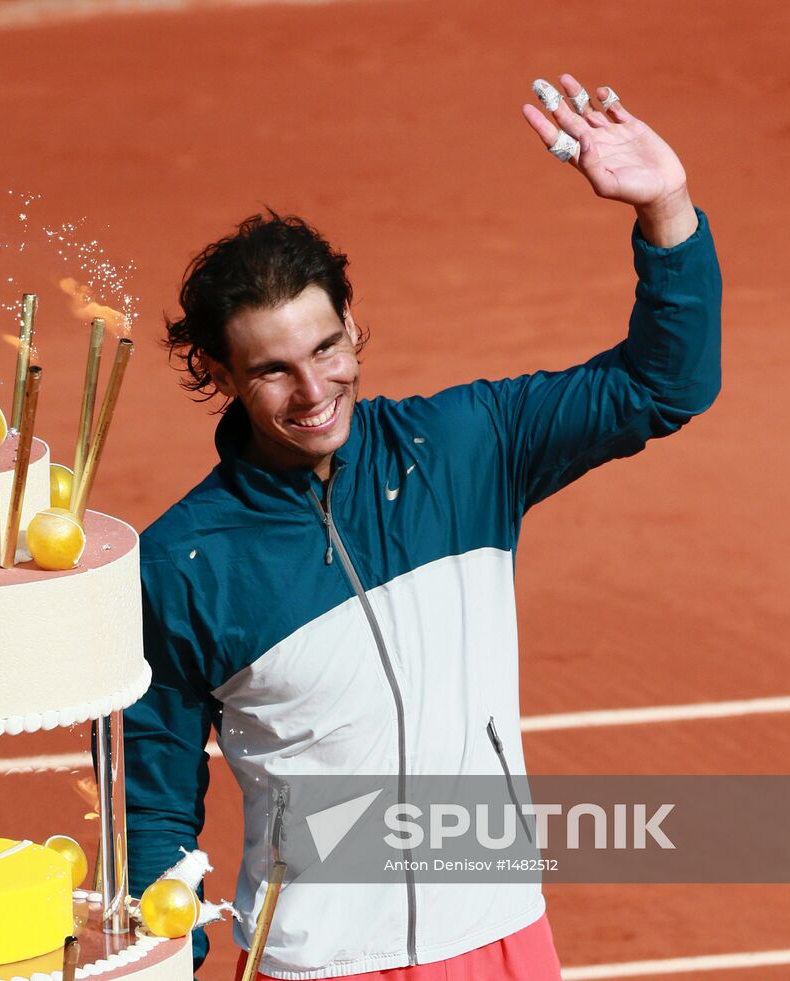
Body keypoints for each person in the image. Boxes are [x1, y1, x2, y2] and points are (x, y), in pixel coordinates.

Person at [122, 73, 721, 980]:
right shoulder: (183, 562)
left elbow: (661, 386)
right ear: (218, 370)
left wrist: (666, 210)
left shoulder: (466, 446)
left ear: (354, 324)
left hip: (499, 933)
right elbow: (155, 797)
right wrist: (165, 951)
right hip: (322, 961)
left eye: (327, 348)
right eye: (275, 369)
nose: (314, 392)